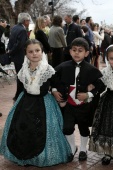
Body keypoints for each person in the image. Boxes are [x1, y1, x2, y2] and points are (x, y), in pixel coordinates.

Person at [0, 39, 72, 167]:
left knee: (42, 129)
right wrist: (17, 100)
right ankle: (24, 155)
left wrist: (55, 91)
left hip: (43, 102)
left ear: (42, 51)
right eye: (31, 51)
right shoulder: (23, 69)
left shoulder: (47, 68)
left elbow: (56, 83)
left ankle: (42, 157)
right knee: (22, 128)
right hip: (25, 102)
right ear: (26, 54)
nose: (34, 54)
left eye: (37, 50)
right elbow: (21, 86)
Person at [53, 37, 105, 161]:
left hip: (84, 106)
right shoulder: (62, 67)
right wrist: (54, 91)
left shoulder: (92, 70)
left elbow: (101, 85)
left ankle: (83, 148)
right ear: (70, 51)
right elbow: (52, 79)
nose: (77, 53)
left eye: (80, 50)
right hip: (67, 105)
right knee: (67, 127)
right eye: (74, 50)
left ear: (86, 53)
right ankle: (72, 147)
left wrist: (89, 94)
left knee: (83, 128)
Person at [7, 13, 31, 101]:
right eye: (28, 21)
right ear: (25, 21)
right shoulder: (22, 30)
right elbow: (19, 44)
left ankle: (19, 94)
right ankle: (19, 95)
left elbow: (11, 41)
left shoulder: (15, 28)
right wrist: (11, 51)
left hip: (16, 56)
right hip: (20, 56)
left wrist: (10, 50)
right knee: (21, 76)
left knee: (20, 75)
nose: (29, 22)